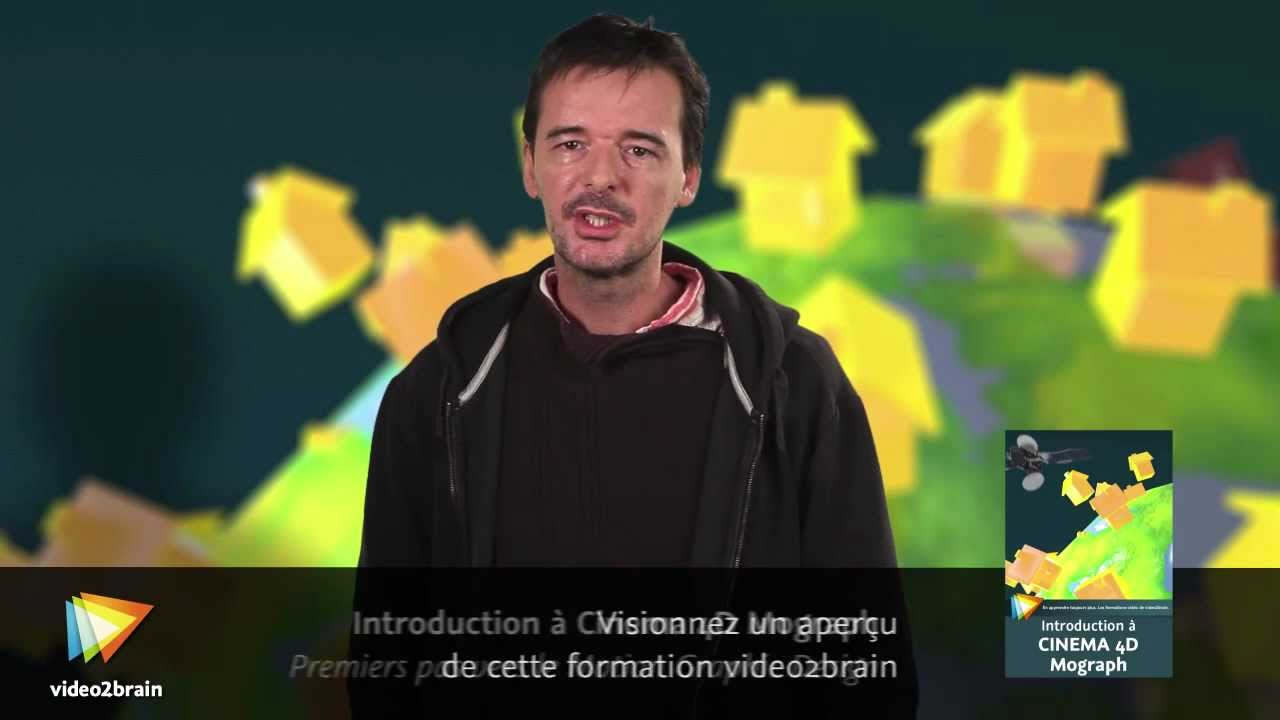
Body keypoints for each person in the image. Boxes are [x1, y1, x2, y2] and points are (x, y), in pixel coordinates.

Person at [350, 14, 917, 717]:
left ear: (689, 178)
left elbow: (870, 666)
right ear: (529, 165)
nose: (600, 178)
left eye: (640, 150)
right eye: (570, 144)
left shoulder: (793, 383)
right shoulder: (439, 389)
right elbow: (386, 667)